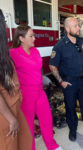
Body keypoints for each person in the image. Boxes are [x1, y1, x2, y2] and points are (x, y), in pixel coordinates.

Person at [10, 25, 62, 150]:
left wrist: (46, 81)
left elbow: (39, 71)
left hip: (39, 91)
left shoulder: (35, 51)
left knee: (47, 119)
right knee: (28, 125)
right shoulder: (12, 53)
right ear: (21, 38)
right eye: (31, 36)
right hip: (26, 94)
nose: (34, 38)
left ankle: (51, 145)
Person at [49, 17, 83, 142]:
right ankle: (73, 130)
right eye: (76, 26)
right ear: (67, 29)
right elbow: (52, 65)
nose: (79, 28)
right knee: (70, 108)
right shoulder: (59, 46)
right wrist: (61, 81)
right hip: (69, 83)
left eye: (78, 25)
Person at [0, 9, 32, 150]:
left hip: (13, 105)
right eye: (5, 22)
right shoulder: (13, 52)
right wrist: (11, 118)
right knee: (10, 145)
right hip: (6, 114)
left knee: (24, 141)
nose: (7, 27)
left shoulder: (3, 51)